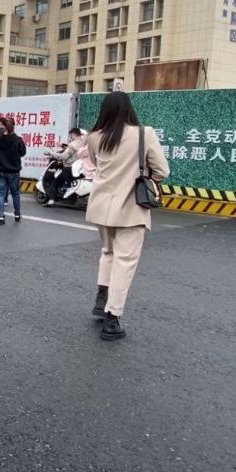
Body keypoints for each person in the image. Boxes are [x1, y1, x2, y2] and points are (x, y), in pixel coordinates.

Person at [85, 92, 170, 341]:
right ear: (129, 109)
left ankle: (102, 300)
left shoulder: (94, 137)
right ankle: (113, 318)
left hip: (101, 205)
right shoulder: (144, 134)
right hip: (131, 207)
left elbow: (94, 164)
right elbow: (162, 170)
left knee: (108, 253)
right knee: (125, 260)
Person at [0, 117, 27, 225]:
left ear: (4, 127)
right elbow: (23, 153)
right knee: (15, 194)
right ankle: (17, 215)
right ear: (13, 127)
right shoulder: (18, 139)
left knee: (0, 194)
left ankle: (1, 217)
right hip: (13, 171)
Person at [44, 128, 87, 205]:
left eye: (71, 136)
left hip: (70, 167)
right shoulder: (85, 143)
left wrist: (52, 153)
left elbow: (63, 156)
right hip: (82, 167)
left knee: (55, 182)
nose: (70, 137)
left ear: (73, 134)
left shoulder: (72, 145)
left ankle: (52, 200)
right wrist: (62, 145)